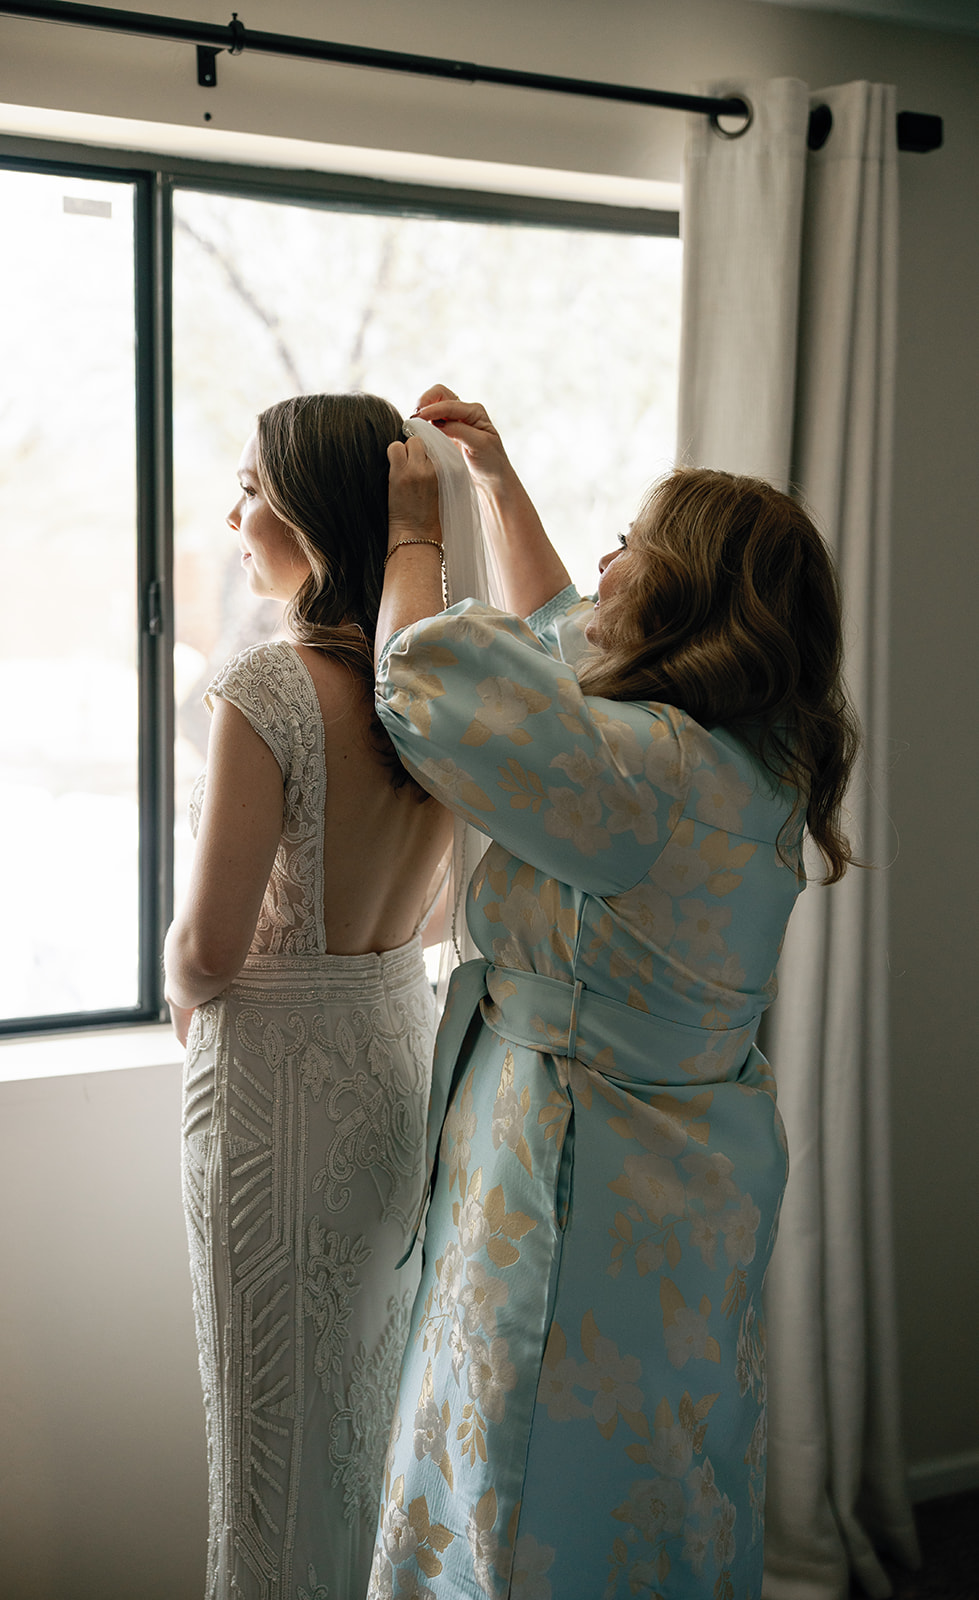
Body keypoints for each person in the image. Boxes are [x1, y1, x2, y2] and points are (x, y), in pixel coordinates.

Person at [366, 387, 860, 1600]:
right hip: (690, 1179)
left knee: (526, 1467)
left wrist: (412, 537)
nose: (606, 560)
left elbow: (429, 678)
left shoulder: (645, 776)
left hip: (575, 1173)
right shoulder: (755, 761)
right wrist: (497, 479)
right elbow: (565, 629)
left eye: (633, 543)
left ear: (685, 591)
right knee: (657, 1469)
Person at [163, 393, 462, 1600]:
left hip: (275, 1111)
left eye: (249, 485)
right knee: (363, 1438)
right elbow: (439, 912)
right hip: (396, 1079)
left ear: (307, 508)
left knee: (264, 1453)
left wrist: (173, 974)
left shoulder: (268, 688)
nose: (233, 513)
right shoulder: (435, 693)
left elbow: (210, 948)